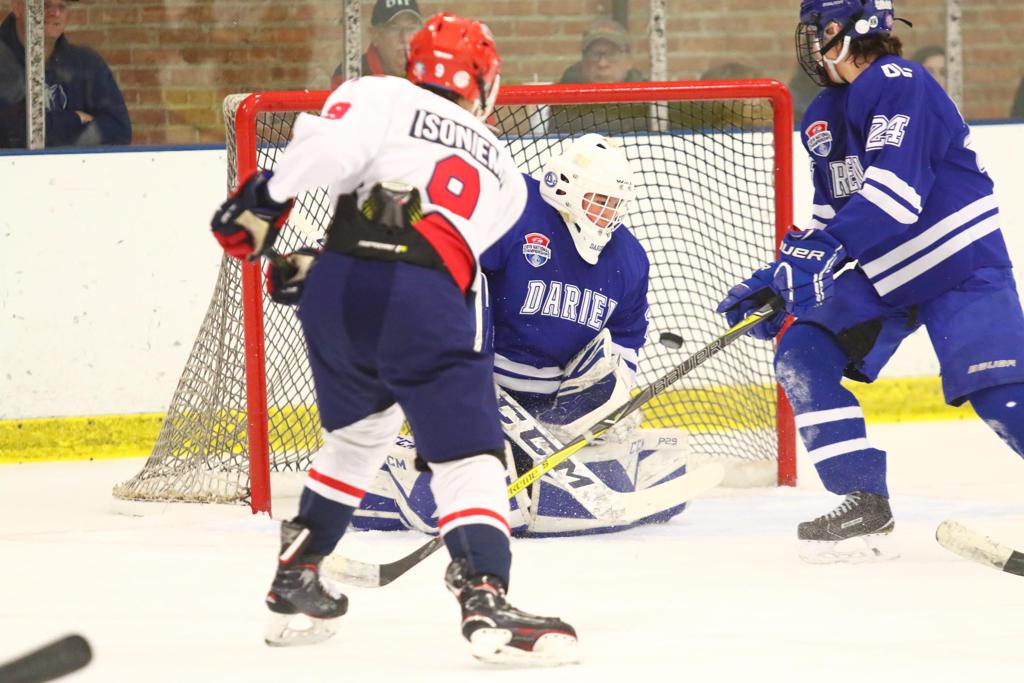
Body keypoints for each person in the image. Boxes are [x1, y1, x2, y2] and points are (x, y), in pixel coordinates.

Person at [210, 12, 579, 665]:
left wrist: (267, 198)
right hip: (422, 296)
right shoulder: (499, 164)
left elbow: (329, 153)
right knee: (470, 457)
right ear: (483, 83)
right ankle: (485, 595)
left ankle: (298, 573)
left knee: (359, 437)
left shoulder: (378, 92)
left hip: (336, 285)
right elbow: (444, 251)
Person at [717, 0, 1024, 564]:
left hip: (959, 265)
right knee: (802, 351)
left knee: (1001, 395)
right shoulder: (825, 112)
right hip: (887, 275)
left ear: (844, 30)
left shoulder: (899, 81)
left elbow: (895, 195)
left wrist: (821, 253)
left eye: (818, 31)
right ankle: (863, 498)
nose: (812, 44)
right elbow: (831, 217)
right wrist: (776, 280)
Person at [348, 134, 692, 538]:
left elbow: (627, 335)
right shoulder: (514, 209)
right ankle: (400, 465)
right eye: (600, 201)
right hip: (476, 379)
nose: (608, 216)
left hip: (554, 403)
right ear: (565, 188)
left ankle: (541, 451)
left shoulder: (628, 258)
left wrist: (612, 399)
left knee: (606, 379)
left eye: (616, 206)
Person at [0, 0, 130, 148]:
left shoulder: (87, 64)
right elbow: (11, 132)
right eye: (45, 5)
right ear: (17, 6)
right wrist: (76, 119)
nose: (56, 13)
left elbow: (119, 131)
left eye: (62, 6)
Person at [329, 0, 422, 89]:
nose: (405, 38)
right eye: (394, 28)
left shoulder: (428, 68)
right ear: (375, 35)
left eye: (411, 28)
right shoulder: (351, 73)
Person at [558, 18, 645, 85]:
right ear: (583, 61)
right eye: (594, 54)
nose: (602, 64)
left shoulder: (647, 97)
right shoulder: (564, 96)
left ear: (629, 61)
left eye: (612, 54)